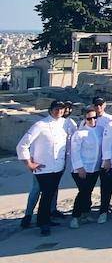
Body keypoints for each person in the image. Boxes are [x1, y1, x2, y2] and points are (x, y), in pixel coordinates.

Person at [17, 101, 69, 236]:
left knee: (51, 194)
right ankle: (42, 222)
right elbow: (22, 145)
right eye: (56, 109)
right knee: (45, 195)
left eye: (61, 109)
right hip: (43, 168)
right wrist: (29, 163)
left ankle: (45, 219)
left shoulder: (65, 123)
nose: (59, 112)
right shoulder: (40, 125)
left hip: (58, 167)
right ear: (51, 110)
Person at [69, 107, 103, 228]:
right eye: (89, 118)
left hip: (95, 168)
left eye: (95, 117)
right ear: (85, 119)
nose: (92, 120)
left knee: (88, 191)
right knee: (83, 192)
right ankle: (75, 216)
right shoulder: (79, 133)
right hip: (82, 169)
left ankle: (86, 212)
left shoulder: (100, 130)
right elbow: (75, 152)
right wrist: (79, 167)